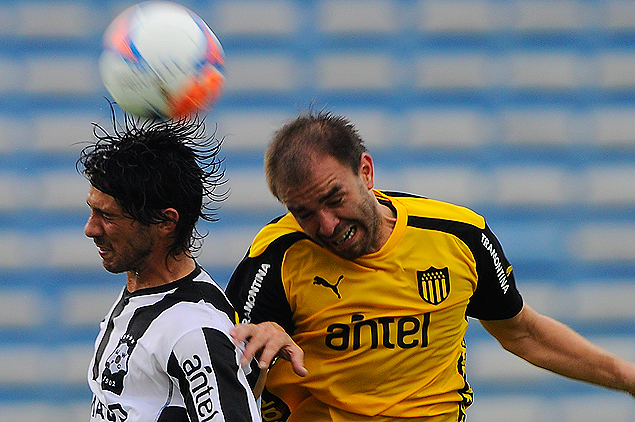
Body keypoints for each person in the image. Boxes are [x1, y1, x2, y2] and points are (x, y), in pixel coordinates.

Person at [225, 110, 635, 422]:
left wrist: (626, 376)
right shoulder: (277, 255)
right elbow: (230, 378)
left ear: (365, 172)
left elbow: (524, 333)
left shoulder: (458, 236)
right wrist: (262, 345)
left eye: (334, 198)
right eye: (304, 212)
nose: (326, 225)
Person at [77, 112, 260, 422]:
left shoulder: (192, 330)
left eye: (107, 216)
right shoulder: (142, 294)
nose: (90, 229)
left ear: (165, 222)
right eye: (92, 211)